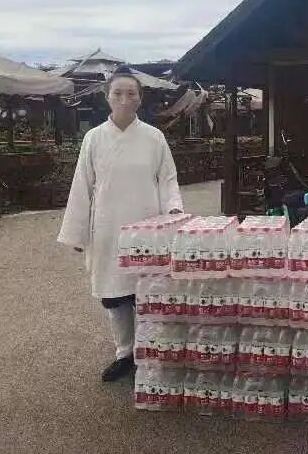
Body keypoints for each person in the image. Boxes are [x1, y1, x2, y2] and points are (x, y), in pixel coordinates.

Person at [58, 68, 183, 382]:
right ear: (107, 97)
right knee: (115, 295)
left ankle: (150, 350)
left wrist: (173, 212)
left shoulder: (154, 137)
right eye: (118, 93)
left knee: (148, 294)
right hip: (109, 227)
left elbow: (167, 178)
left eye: (131, 93)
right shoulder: (94, 138)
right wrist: (77, 233)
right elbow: (82, 185)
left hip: (148, 228)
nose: (125, 99)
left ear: (140, 98)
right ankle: (124, 352)